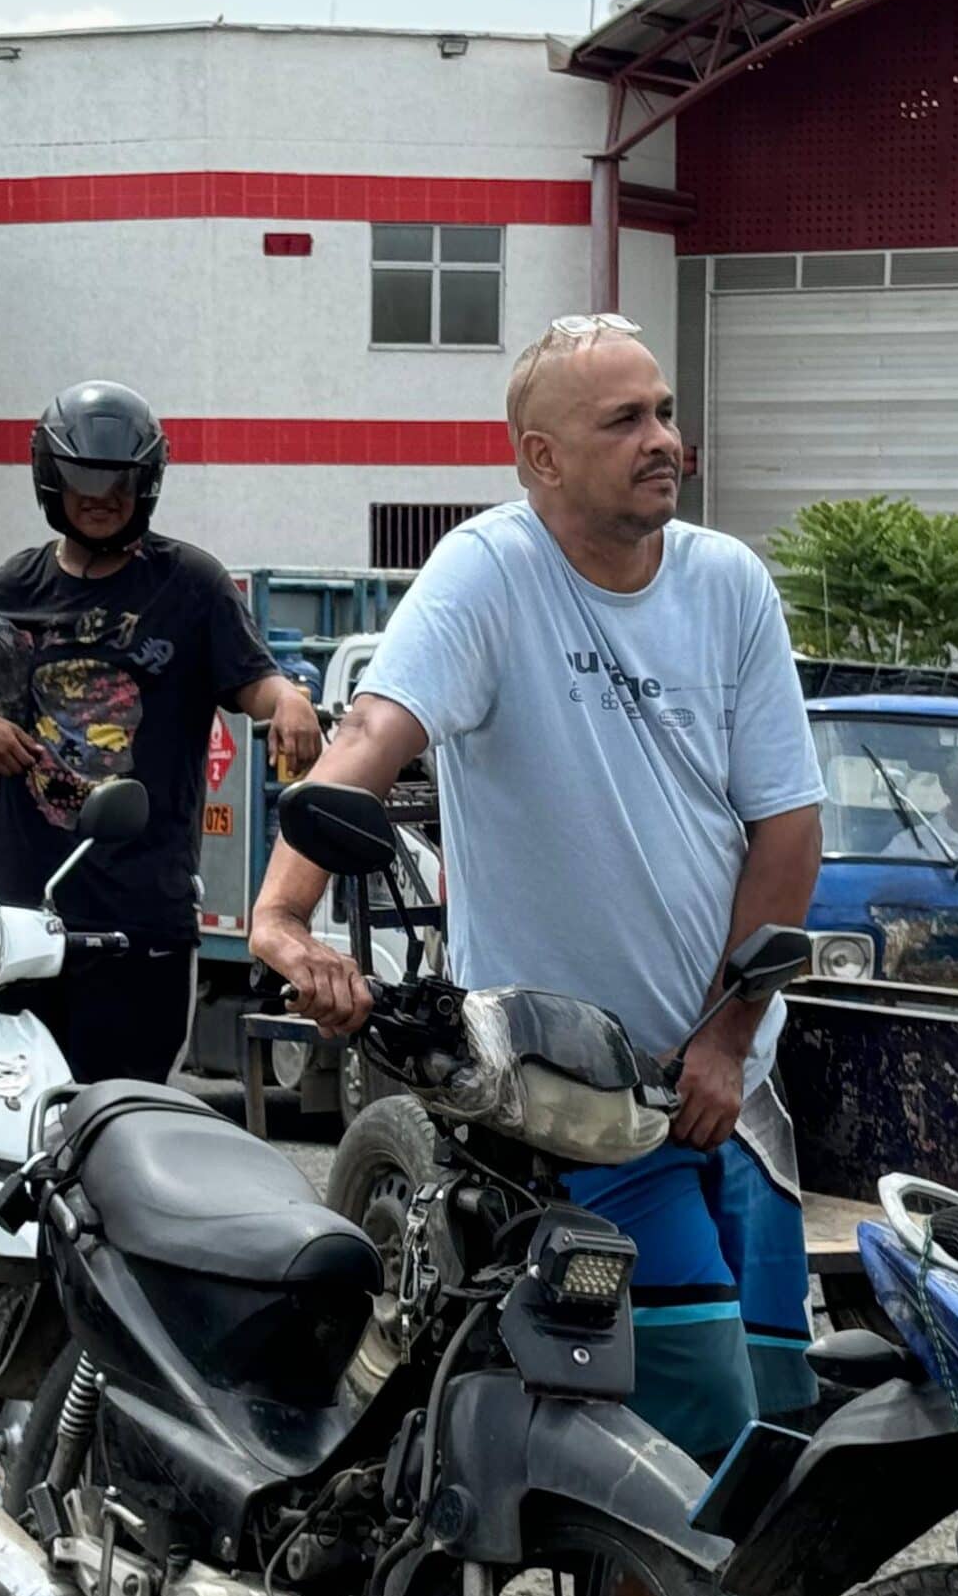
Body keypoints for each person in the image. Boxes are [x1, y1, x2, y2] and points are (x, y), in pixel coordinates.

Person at [251, 316, 824, 1472]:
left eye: (663, 412)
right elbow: (370, 732)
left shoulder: (728, 586)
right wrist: (280, 914)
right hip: (576, 1101)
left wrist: (726, 1034)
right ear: (540, 459)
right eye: (625, 421)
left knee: (772, 1423)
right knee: (689, 1424)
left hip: (729, 1089)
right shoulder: (491, 572)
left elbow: (787, 827)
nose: (663, 440)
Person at [0, 382, 322, 1085]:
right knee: (18, 1127)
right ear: (50, 477)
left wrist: (288, 697)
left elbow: (254, 680)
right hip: (23, 920)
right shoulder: (15, 584)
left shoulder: (190, 583)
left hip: (142, 922)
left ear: (148, 484)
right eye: (81, 479)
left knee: (124, 1124)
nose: (100, 497)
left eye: (120, 482)